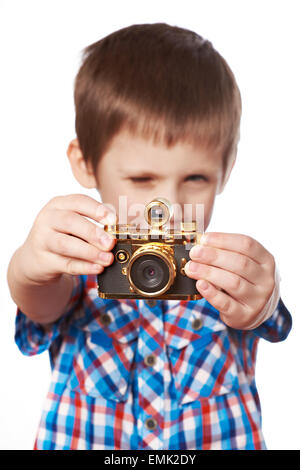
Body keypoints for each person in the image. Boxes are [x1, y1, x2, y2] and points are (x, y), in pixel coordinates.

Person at [7, 22, 292, 450]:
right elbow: (40, 301)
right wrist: (30, 263)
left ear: (226, 169)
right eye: (141, 179)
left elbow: (259, 316)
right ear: (86, 164)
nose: (168, 208)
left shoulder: (221, 271)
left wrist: (261, 300)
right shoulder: (83, 262)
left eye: (195, 178)